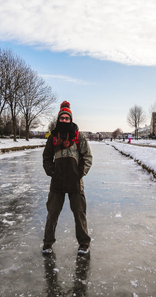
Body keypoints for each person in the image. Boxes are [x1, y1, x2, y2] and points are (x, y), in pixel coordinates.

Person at [42, 101, 93, 255]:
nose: (64, 120)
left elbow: (88, 157)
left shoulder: (79, 137)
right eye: (62, 118)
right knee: (52, 213)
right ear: (58, 119)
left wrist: (79, 173)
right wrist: (51, 171)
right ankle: (47, 243)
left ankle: (84, 243)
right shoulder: (52, 137)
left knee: (79, 213)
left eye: (67, 118)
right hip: (57, 181)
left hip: (75, 182)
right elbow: (46, 157)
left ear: (70, 119)